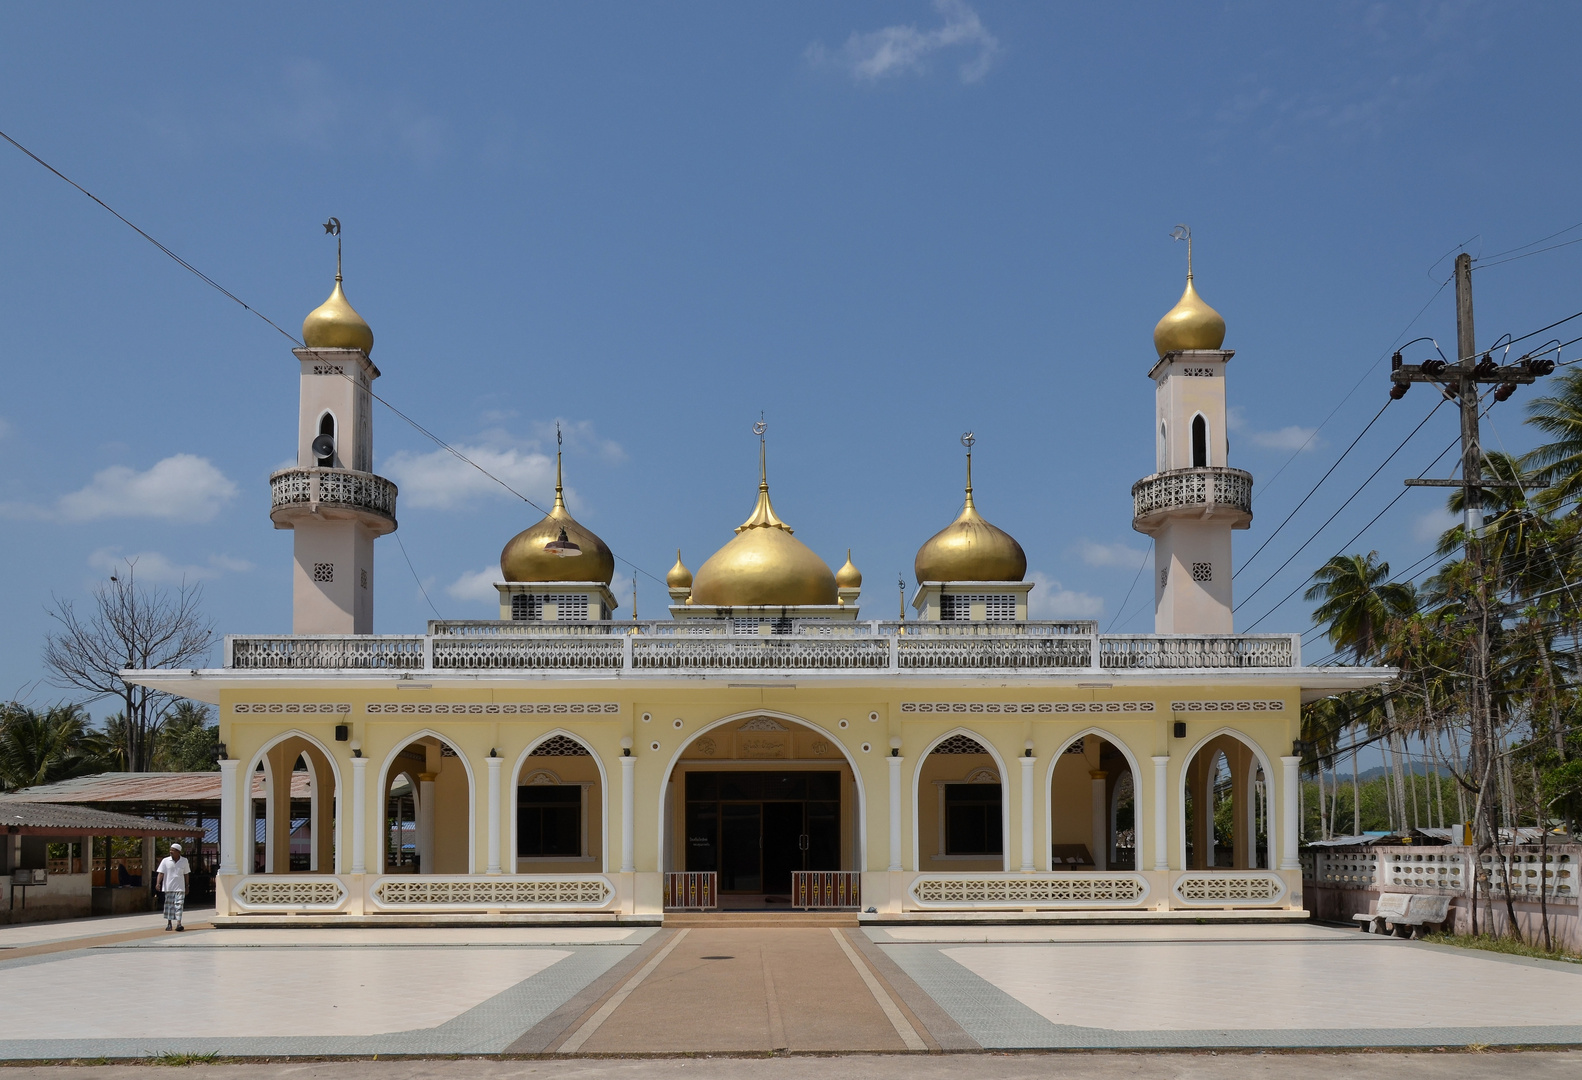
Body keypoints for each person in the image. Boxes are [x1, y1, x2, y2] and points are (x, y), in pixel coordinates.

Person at [156, 843, 191, 932]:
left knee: (179, 905)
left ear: (178, 852)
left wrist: (187, 886)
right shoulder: (165, 861)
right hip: (168, 887)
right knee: (169, 906)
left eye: (173, 850)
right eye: (170, 849)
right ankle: (169, 923)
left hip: (180, 888)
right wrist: (158, 883)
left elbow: (186, 874)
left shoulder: (184, 861)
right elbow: (161, 873)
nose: (170, 851)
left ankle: (179, 924)